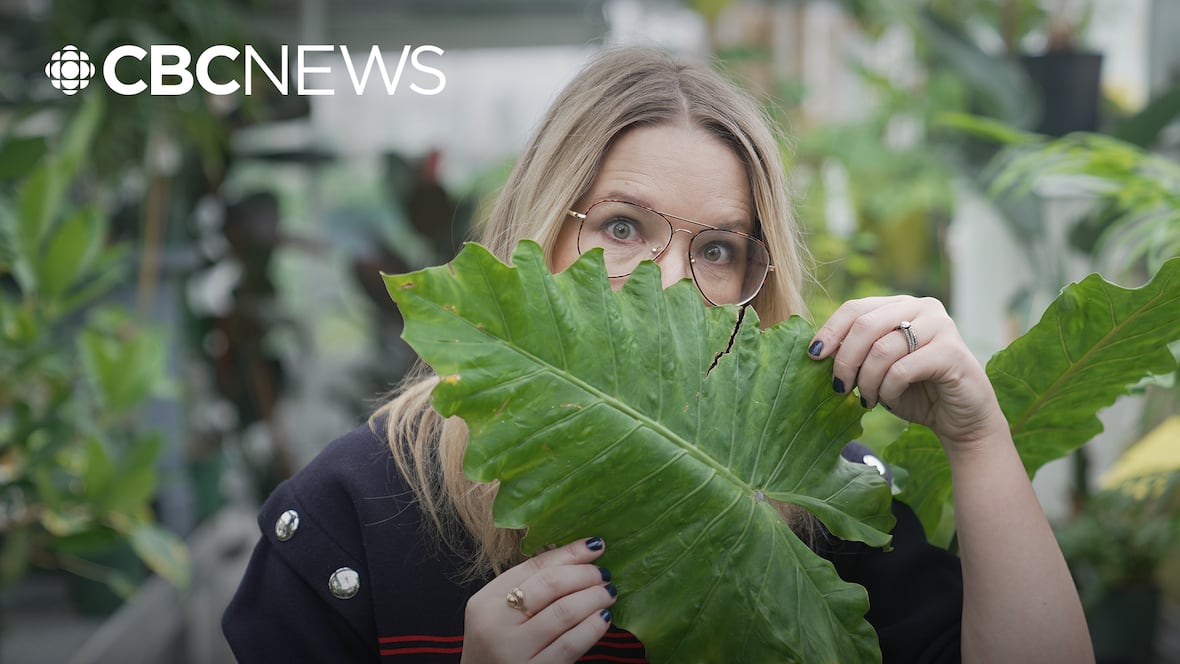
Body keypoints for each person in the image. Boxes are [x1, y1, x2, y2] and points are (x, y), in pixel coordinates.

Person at [223, 47, 1093, 663]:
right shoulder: (356, 510)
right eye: (622, 227)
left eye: (717, 249)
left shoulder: (820, 501)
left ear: (759, 278)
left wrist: (976, 437)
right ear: (541, 230)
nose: (671, 283)